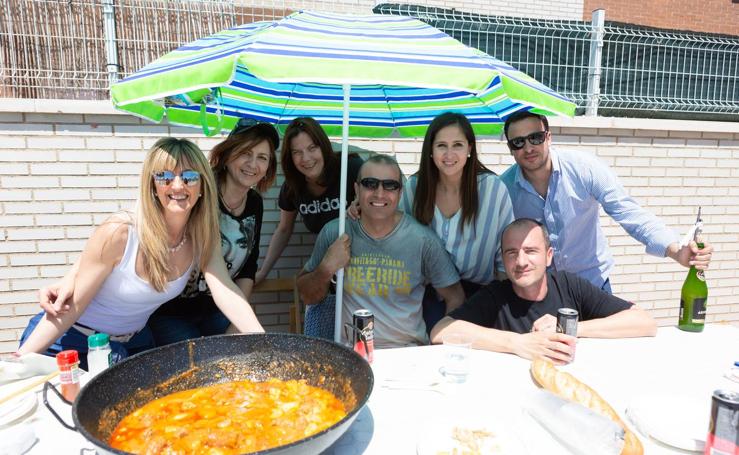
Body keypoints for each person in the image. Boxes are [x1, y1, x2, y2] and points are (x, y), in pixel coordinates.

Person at [19, 138, 264, 368]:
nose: (178, 185)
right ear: (152, 185)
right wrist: (20, 360)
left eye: (189, 176)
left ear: (202, 185)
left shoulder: (202, 236)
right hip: (72, 343)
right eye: (165, 176)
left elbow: (227, 292)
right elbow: (70, 307)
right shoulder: (121, 231)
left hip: (133, 345)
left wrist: (266, 342)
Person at [499, 111, 713, 293]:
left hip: (592, 285)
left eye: (535, 137)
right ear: (510, 149)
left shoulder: (584, 168)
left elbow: (629, 213)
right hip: (539, 291)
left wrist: (676, 250)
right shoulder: (504, 188)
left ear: (548, 138)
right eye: (518, 142)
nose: (528, 148)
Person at [431, 218, 657, 364]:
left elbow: (644, 322)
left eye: (530, 251)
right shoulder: (496, 296)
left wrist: (570, 329)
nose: (521, 261)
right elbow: (440, 332)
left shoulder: (569, 286)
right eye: (512, 253)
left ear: (549, 256)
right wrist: (517, 343)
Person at [297, 154, 465, 348]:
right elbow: (307, 296)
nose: (379, 193)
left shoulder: (422, 240)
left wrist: (443, 349)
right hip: (353, 353)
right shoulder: (336, 232)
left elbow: (455, 297)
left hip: (407, 353)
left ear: (400, 193)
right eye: (370, 183)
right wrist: (326, 269)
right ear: (356, 189)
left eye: (390, 185)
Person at [401, 112, 514, 330]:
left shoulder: (492, 189)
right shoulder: (414, 188)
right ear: (431, 151)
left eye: (458, 145)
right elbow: (395, 233)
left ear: (470, 149)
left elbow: (505, 253)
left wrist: (502, 306)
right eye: (441, 145)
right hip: (426, 294)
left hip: (479, 294)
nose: (449, 154)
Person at [256, 117, 363, 337]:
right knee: (327, 342)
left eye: (312, 148)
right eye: (297, 152)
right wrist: (263, 271)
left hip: (362, 272)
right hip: (325, 272)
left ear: (323, 146)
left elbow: (380, 200)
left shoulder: (350, 168)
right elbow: (284, 230)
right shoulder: (292, 188)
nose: (306, 158)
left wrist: (361, 203)